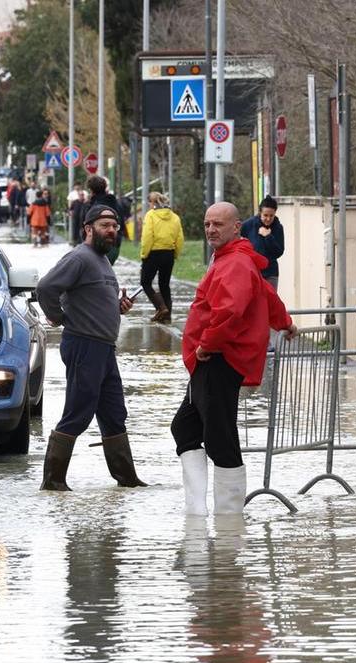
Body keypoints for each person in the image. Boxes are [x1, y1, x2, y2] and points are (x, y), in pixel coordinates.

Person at [172, 202, 298, 517]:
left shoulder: (236, 263)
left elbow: (229, 311)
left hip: (218, 359)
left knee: (219, 438)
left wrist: (206, 346)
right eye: (206, 224)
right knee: (185, 428)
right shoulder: (233, 259)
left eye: (218, 224)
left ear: (236, 227)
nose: (211, 230)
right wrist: (285, 323)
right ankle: (197, 511)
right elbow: (267, 297)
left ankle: (228, 517)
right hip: (211, 359)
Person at [35, 205, 148, 492]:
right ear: (88, 229)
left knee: (114, 413)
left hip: (104, 348)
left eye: (115, 226)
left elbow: (94, 299)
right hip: (85, 345)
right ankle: (53, 481)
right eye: (105, 225)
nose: (111, 230)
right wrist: (59, 317)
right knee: (79, 411)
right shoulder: (79, 257)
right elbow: (46, 287)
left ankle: (127, 479)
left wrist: (118, 307)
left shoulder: (102, 260)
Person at [139, 192, 184, 323]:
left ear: (152, 203)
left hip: (153, 253)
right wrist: (175, 253)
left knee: (145, 283)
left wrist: (144, 254)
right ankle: (167, 314)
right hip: (168, 253)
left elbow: (147, 237)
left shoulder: (150, 215)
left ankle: (161, 307)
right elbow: (180, 238)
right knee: (164, 284)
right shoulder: (175, 217)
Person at [240, 195, 284, 290]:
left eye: (271, 216)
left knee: (269, 302)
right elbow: (235, 236)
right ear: (260, 213)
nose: (268, 219)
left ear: (275, 213)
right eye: (265, 215)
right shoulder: (249, 225)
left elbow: (279, 252)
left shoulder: (278, 228)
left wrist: (268, 237)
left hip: (270, 273)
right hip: (251, 271)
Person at [83, 175, 128, 265]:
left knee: (95, 273)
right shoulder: (115, 203)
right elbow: (121, 223)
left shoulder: (91, 207)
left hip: (96, 245)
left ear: (91, 190)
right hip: (114, 244)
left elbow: (85, 226)